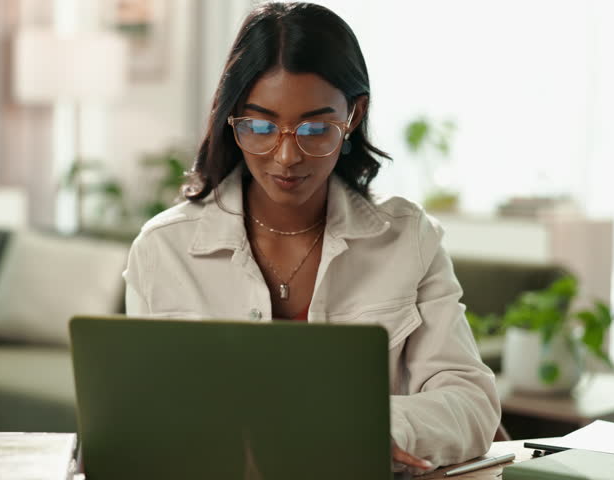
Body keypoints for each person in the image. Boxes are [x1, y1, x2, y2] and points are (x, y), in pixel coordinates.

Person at [123, 1, 500, 473]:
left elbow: (470, 401)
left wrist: (376, 427)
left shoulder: (409, 239)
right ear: (232, 117)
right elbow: (146, 416)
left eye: (315, 129)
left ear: (354, 115)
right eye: (260, 126)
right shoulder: (164, 250)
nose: (286, 157)